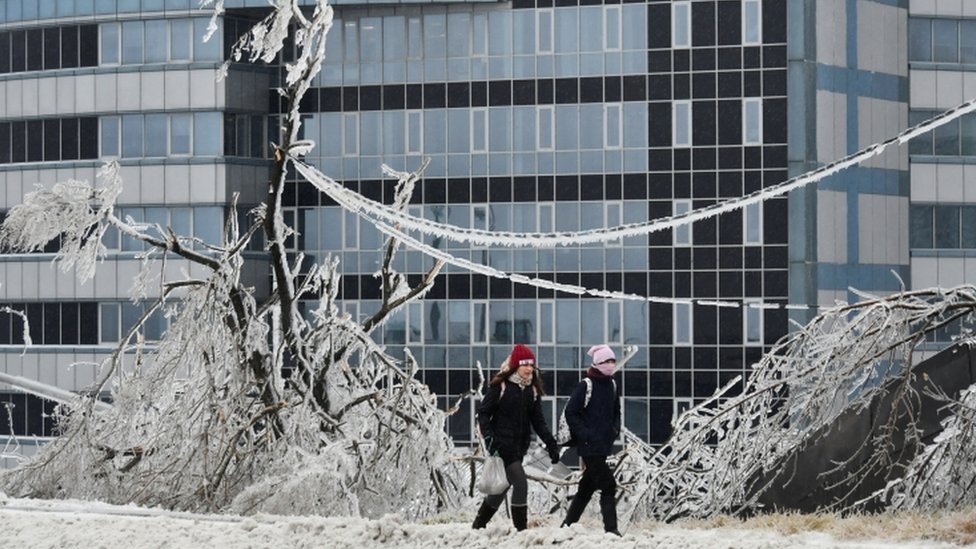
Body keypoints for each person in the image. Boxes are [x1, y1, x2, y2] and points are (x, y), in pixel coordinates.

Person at [472, 343, 561, 531]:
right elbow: (483, 413)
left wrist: (551, 443)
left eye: (531, 365)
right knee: (521, 483)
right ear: (516, 366)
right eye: (525, 364)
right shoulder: (500, 386)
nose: (529, 368)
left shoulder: (532, 390)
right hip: (501, 446)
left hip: (519, 447)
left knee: (500, 489)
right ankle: (521, 532)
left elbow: (538, 421)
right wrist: (489, 440)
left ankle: (478, 526)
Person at [560, 344, 622, 536]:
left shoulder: (611, 384)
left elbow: (615, 411)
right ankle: (611, 530)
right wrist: (585, 434)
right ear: (597, 363)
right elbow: (571, 412)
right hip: (588, 446)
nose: (610, 365)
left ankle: (567, 527)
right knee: (608, 485)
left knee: (586, 487)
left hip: (603, 445)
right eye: (606, 361)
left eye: (612, 361)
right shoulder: (586, 385)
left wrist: (614, 430)